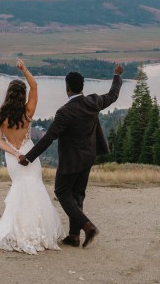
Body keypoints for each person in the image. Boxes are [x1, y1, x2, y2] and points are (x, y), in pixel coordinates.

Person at [19, 63, 123, 248]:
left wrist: (28, 157)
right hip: (88, 157)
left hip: (71, 161)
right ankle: (74, 236)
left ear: (67, 88)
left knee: (61, 191)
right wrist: (116, 75)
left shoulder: (64, 112)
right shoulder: (93, 101)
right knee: (77, 196)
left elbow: (48, 138)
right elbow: (113, 95)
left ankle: (87, 226)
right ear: (81, 87)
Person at [0, 58, 66, 254]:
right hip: (30, 155)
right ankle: (38, 230)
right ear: (22, 95)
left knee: (19, 189)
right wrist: (24, 70)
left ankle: (18, 231)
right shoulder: (28, 112)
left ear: (7, 95)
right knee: (35, 188)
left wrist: (14, 152)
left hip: (14, 157)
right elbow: (35, 85)